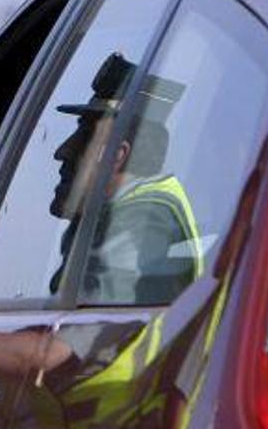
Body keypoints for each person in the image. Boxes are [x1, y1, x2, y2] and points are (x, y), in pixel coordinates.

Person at [48, 52, 199, 303]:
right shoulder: (123, 217)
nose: (61, 151)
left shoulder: (140, 223)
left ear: (116, 155)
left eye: (84, 137)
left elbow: (76, 339)